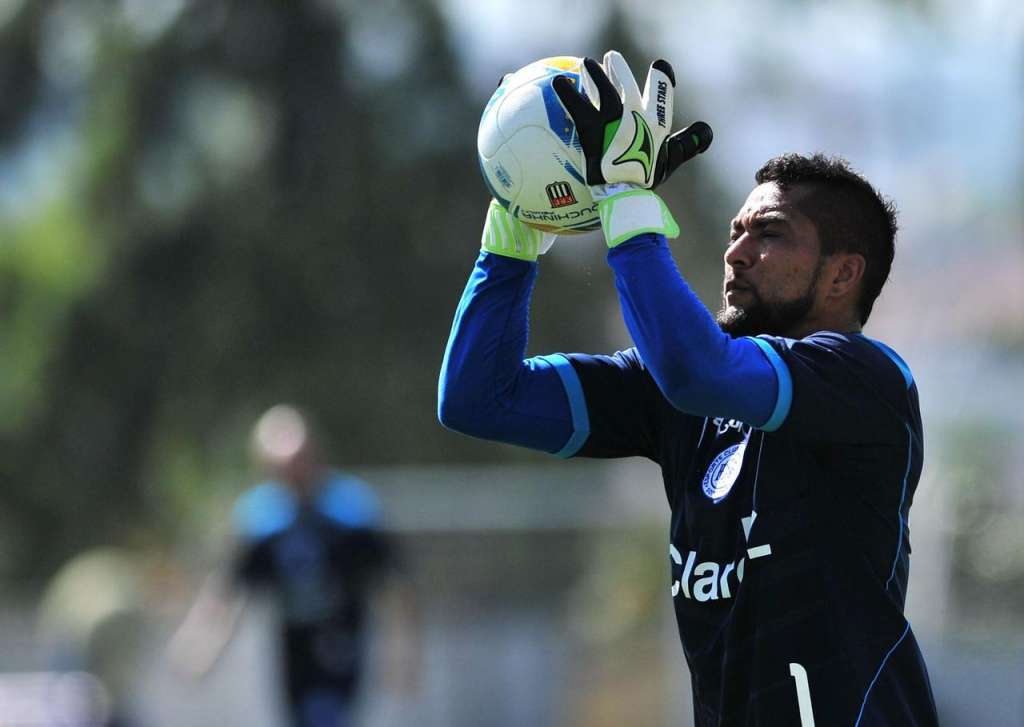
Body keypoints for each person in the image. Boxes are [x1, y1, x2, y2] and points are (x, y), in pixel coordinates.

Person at [438, 51, 938, 726]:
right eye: (735, 233)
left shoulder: (866, 381)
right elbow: (476, 397)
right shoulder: (673, 396)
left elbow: (697, 370)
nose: (735, 252)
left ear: (842, 275)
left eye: (769, 234)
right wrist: (514, 240)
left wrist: (624, 201)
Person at [168, 404, 411, 727]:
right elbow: (228, 592)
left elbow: (392, 584)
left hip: (342, 640)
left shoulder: (352, 512)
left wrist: (401, 651)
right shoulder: (261, 520)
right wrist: (199, 646)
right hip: (292, 647)